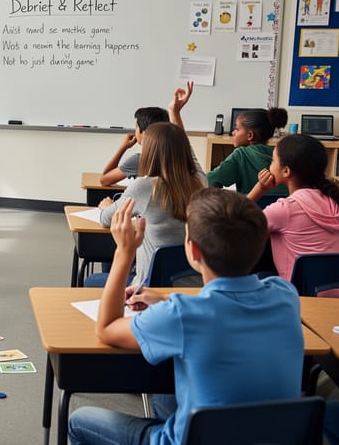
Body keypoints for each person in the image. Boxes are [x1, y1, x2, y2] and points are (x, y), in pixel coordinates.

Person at [68, 189, 304, 445]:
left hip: (190, 439)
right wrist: (166, 299)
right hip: (270, 437)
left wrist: (123, 254)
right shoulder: (286, 296)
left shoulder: (181, 316)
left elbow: (106, 328)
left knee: (80, 420)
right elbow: (226, 304)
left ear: (193, 250)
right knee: (168, 399)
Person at [93, 122, 205, 285]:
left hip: (149, 288)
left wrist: (107, 206)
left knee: (92, 280)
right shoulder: (201, 181)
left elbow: (106, 219)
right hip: (194, 288)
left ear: (150, 152)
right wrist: (175, 111)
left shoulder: (145, 187)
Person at [247, 134, 339, 281]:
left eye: (273, 160)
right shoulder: (336, 202)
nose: (270, 165)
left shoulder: (285, 209)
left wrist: (260, 188)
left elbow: (234, 226)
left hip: (300, 296)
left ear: (286, 171)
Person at [100, 84, 192, 187]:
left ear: (144, 133)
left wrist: (123, 147)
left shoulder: (139, 160)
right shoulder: (177, 157)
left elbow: (104, 180)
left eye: (136, 127)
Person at [207, 107, 288, 195]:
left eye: (237, 129)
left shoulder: (241, 155)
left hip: (250, 207)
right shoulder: (282, 156)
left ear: (250, 135)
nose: (233, 132)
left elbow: (210, 179)